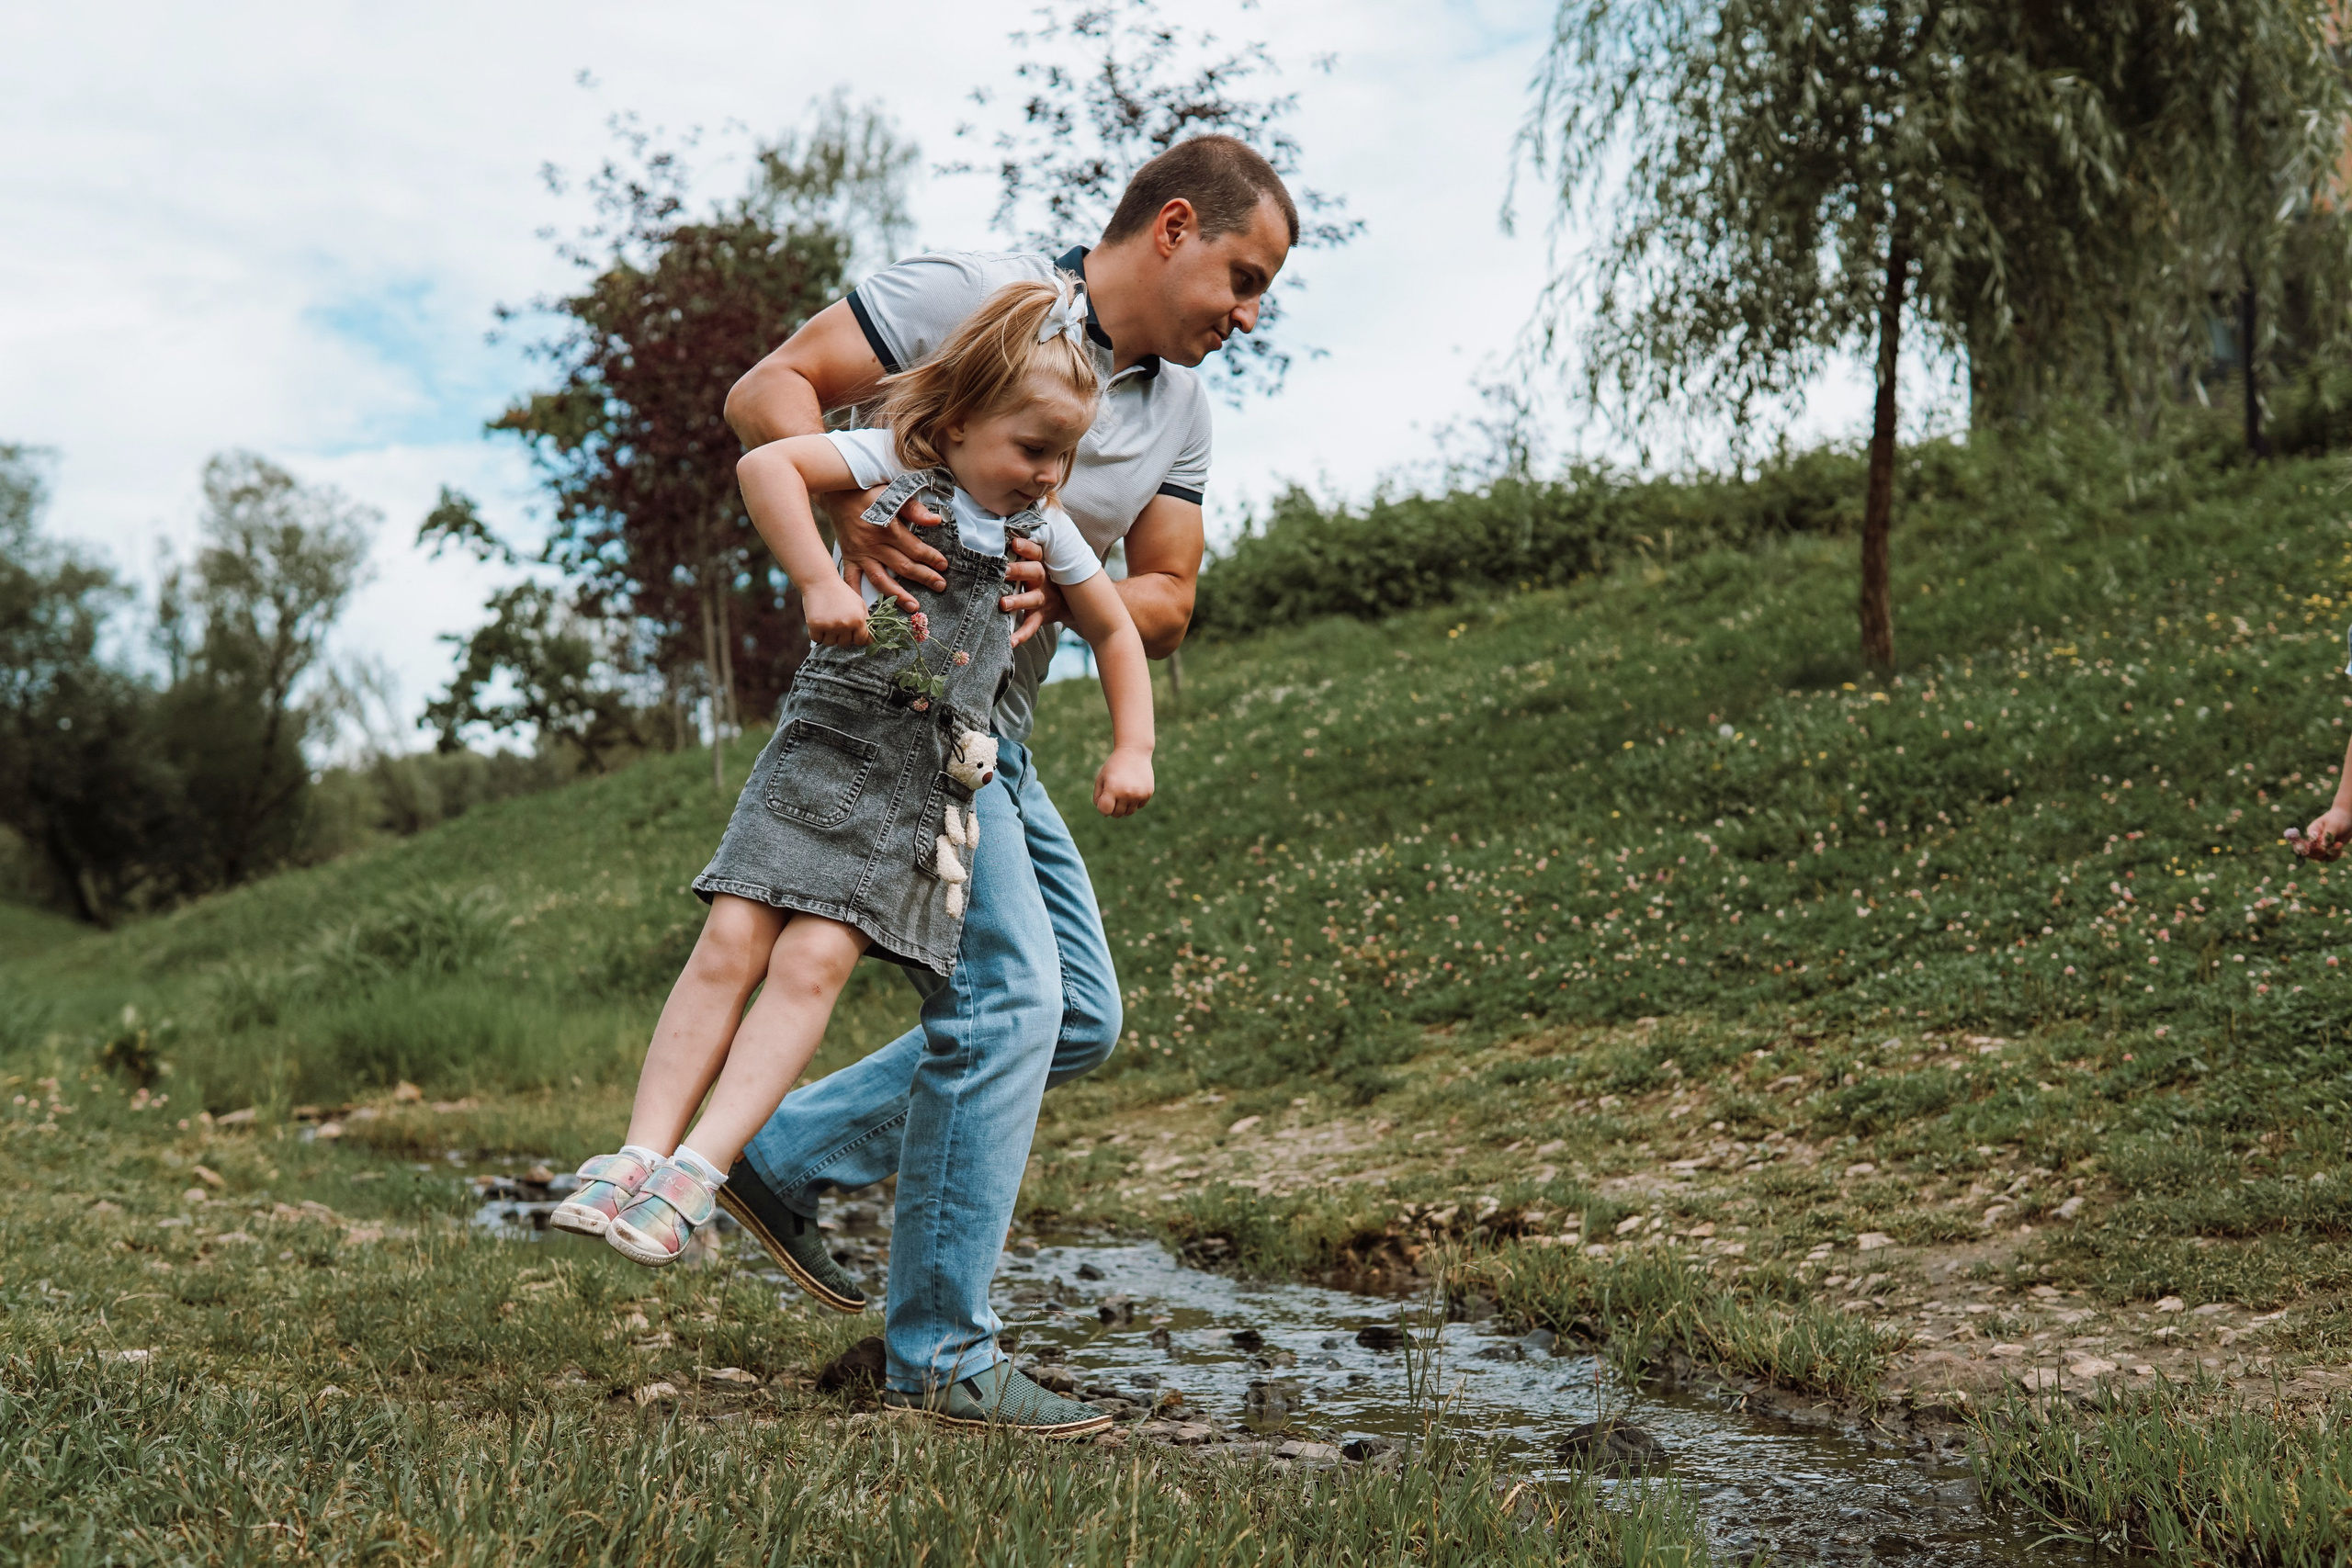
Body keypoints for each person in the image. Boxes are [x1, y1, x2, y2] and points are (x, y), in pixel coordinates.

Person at [713, 135, 1295, 1434]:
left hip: (1005, 733)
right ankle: (941, 1354)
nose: (1249, 315)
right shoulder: (975, 290)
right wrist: (852, 514)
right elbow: (771, 392)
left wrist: (1070, 581)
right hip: (910, 714)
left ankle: (781, 1153)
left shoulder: (1182, 412)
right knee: (1014, 1002)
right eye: (1244, 278)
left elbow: (1168, 598)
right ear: (1175, 228)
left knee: (1076, 1013)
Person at [550, 278, 1155, 1342]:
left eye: (1064, 457)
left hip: (920, 788)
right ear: (957, 424)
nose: (1047, 477)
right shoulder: (896, 466)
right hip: (825, 747)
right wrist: (818, 577)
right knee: (730, 941)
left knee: (813, 967)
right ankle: (634, 1154)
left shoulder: (1045, 530)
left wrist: (1132, 745)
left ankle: (701, 1172)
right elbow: (766, 463)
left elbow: (1113, 629)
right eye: (1031, 449)